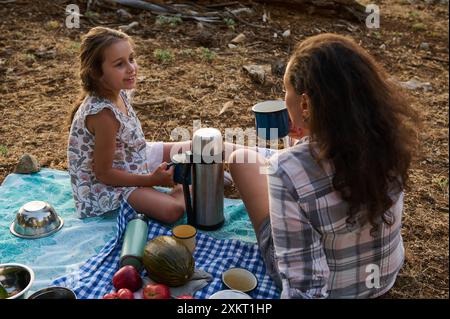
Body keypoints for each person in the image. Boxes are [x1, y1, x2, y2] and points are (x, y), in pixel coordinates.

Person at [227, 33, 419, 298]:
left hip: (335, 289)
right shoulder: (390, 138)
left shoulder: (286, 170)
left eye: (286, 92)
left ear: (305, 103)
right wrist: (310, 132)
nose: (284, 99)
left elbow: (304, 289)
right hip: (383, 278)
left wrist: (297, 151)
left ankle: (218, 152)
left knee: (240, 162)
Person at [67, 27, 190, 222]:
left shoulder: (119, 92)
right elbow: (104, 174)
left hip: (131, 166)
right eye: (119, 64)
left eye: (131, 59)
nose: (131, 68)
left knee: (194, 151)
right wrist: (150, 180)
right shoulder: (104, 115)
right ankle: (184, 188)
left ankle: (186, 185)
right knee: (172, 211)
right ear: (97, 72)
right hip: (107, 189)